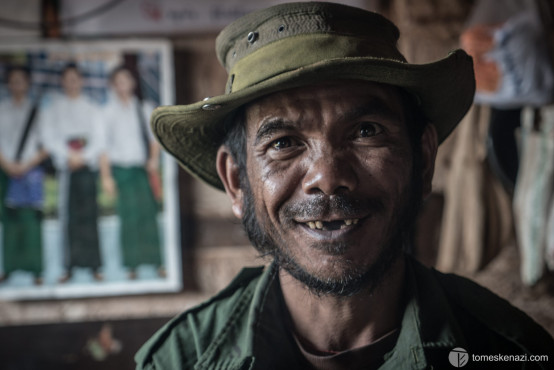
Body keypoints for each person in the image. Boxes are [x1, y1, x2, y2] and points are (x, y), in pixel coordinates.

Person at [136, 2, 554, 369]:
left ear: (422, 160)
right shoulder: (181, 360)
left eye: (366, 131)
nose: (328, 177)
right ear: (236, 181)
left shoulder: (510, 352)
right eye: (283, 143)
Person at [41, 63, 104, 282]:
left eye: (75, 79)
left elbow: (99, 139)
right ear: (62, 82)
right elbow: (49, 138)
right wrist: (68, 156)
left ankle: (94, 266)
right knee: (68, 217)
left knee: (89, 216)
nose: (72, 83)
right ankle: (68, 266)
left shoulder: (92, 108)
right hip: (66, 168)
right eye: (67, 79)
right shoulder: (54, 109)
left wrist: (83, 156)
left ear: (81, 81)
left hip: (86, 168)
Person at [99, 66, 163, 280]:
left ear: (133, 83)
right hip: (121, 171)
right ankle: (132, 265)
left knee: (148, 216)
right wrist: (107, 177)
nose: (123, 85)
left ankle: (156, 262)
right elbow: (103, 148)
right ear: (113, 85)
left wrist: (153, 161)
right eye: (118, 81)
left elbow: (155, 141)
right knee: (128, 218)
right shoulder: (107, 112)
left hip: (141, 170)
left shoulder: (143, 108)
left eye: (126, 80)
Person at [0, 66, 48, 285]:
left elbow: (46, 145)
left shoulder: (37, 111)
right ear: (8, 84)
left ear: (27, 83)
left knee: (32, 222)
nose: (16, 84)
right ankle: (8, 268)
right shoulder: (2, 109)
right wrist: (8, 165)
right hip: (7, 172)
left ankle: (36, 270)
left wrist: (27, 164)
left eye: (21, 80)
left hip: (32, 171)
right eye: (13, 81)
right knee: (10, 222)